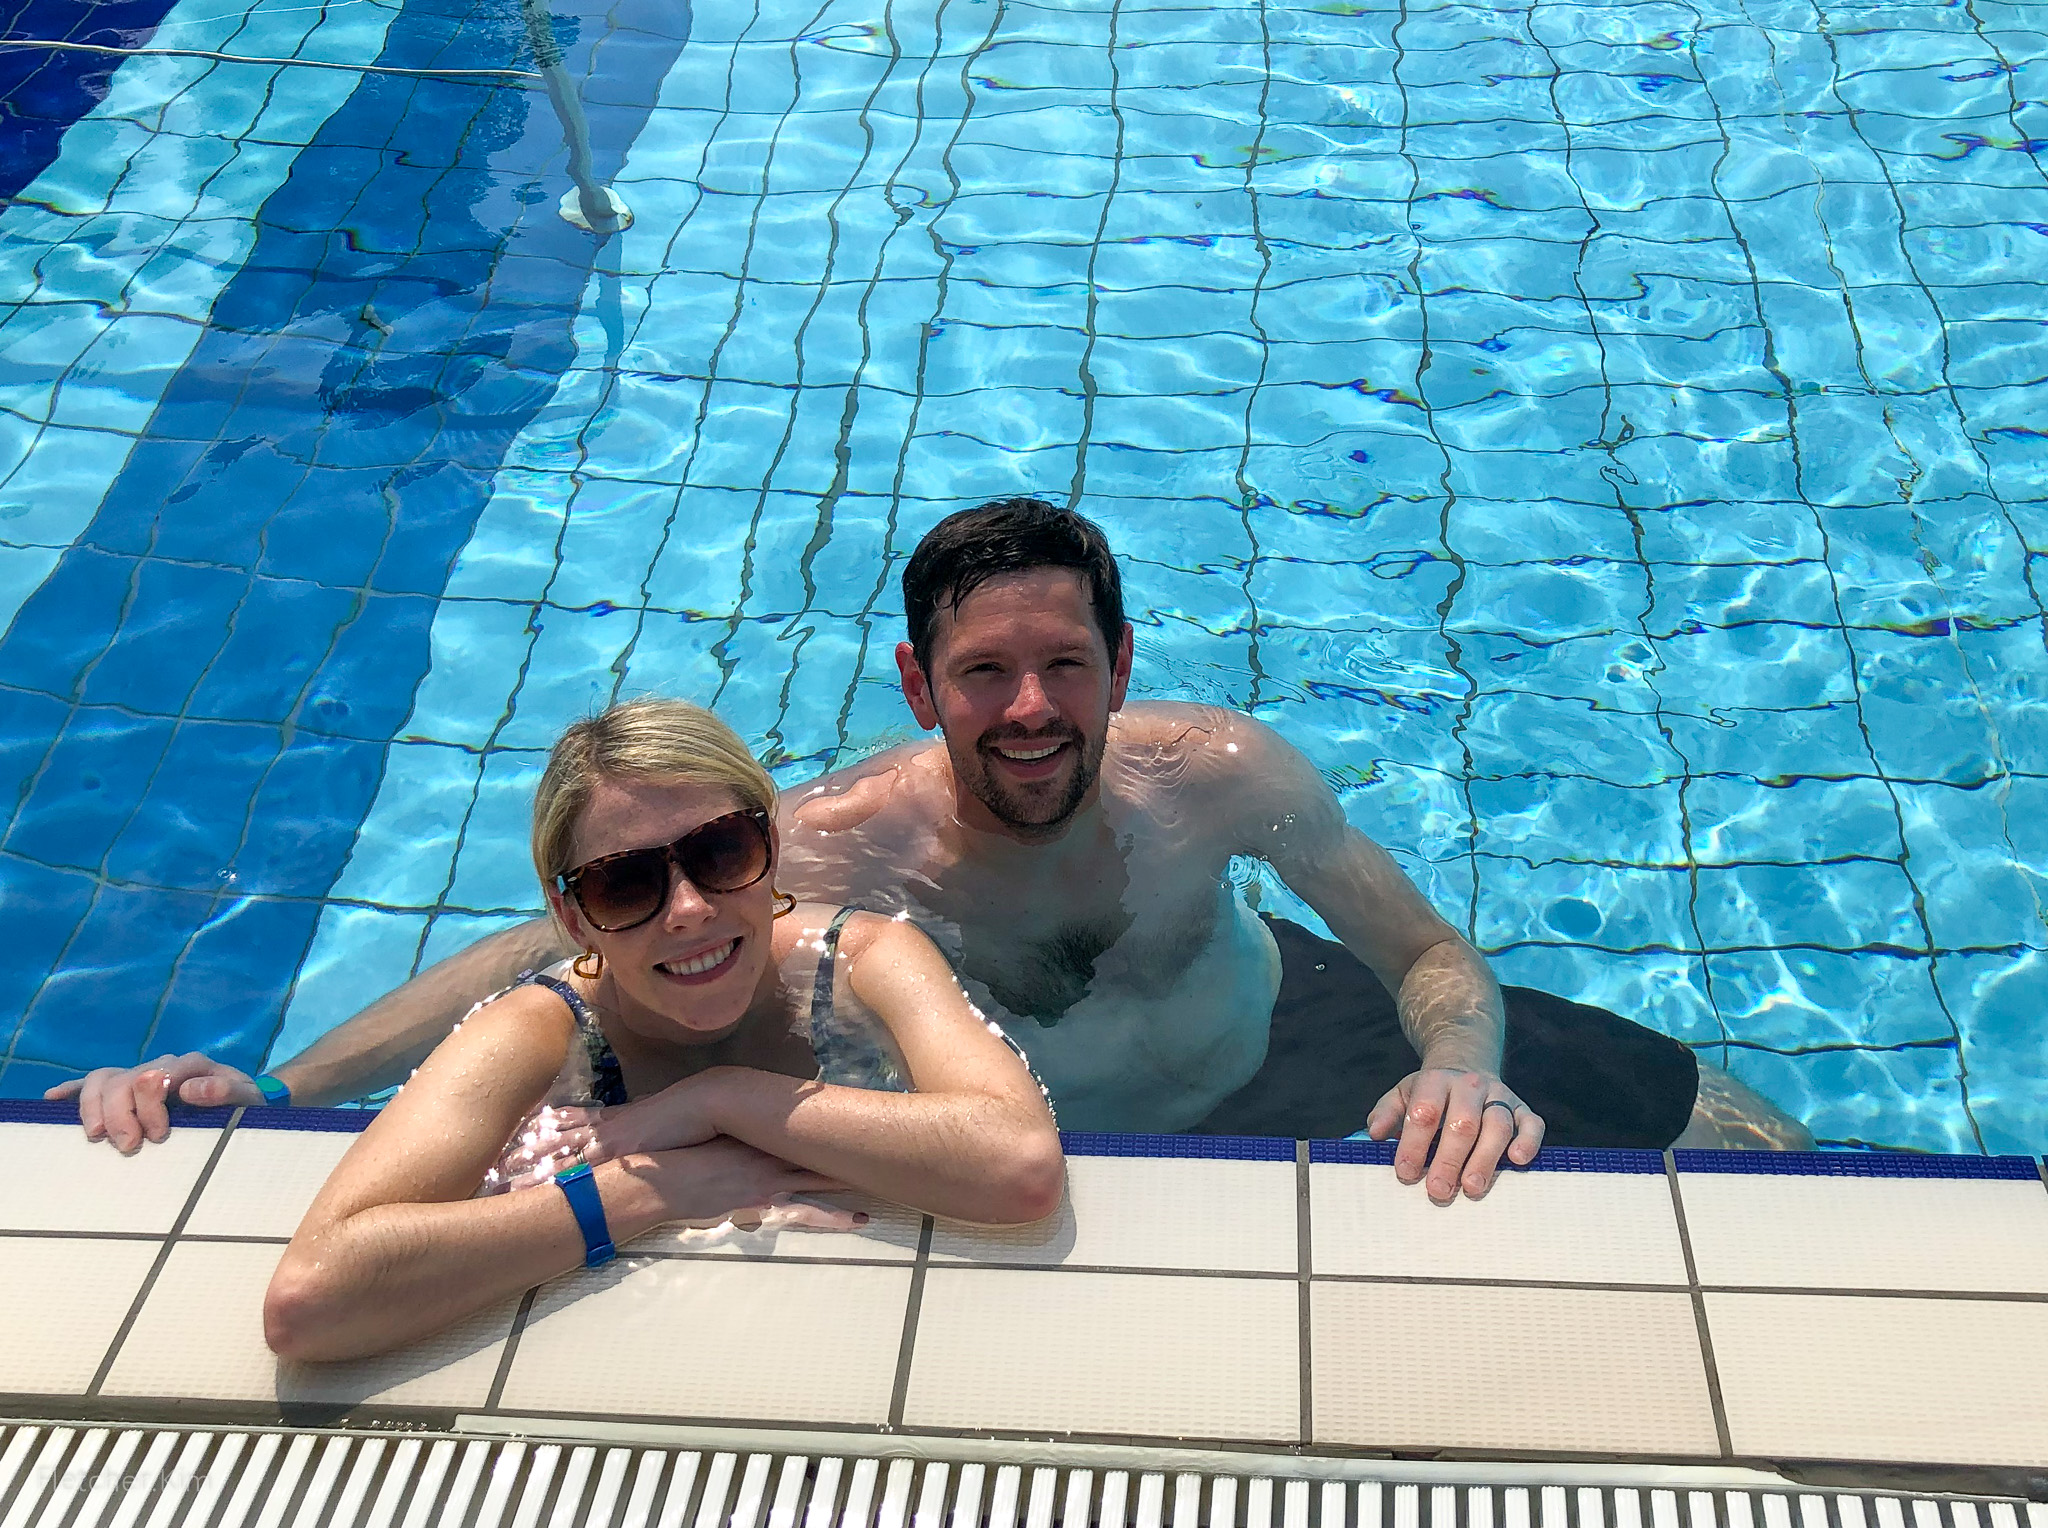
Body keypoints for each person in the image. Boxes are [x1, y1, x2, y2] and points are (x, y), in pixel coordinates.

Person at [61, 500, 1810, 1207]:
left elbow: (1422, 953)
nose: (1030, 708)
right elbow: (546, 954)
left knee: (1741, 1141)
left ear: (1120, 663)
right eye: (985, 674)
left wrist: (1464, 1063)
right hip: (1019, 1152)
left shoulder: (1220, 780)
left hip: (1286, 1042)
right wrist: (278, 1087)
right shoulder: (834, 848)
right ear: (919, 684)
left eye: (1066, 666)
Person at [261, 699, 1061, 1362]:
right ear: (574, 916)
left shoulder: (860, 959)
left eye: (722, 851)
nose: (688, 910)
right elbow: (310, 1301)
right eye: (624, 884)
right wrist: (654, 1189)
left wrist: (719, 1099)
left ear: (772, 847)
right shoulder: (541, 1033)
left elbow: (1020, 1164)